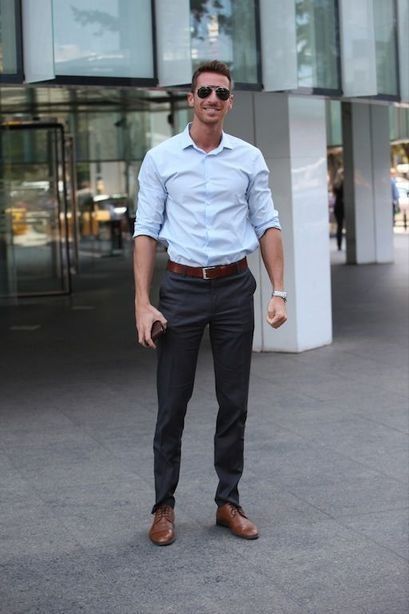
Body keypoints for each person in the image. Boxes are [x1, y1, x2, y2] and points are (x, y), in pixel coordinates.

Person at [133, 60, 287, 546]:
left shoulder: (249, 158)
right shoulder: (161, 159)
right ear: (190, 98)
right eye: (205, 91)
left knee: (234, 401)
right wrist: (141, 301)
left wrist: (278, 290)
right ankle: (163, 508)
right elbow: (145, 232)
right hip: (180, 290)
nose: (213, 100)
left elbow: (268, 224)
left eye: (222, 93)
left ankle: (228, 501)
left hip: (234, 287)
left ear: (231, 101)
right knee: (172, 404)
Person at [333, 172, 345, 251]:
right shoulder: (344, 184)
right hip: (342, 206)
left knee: (339, 226)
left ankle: (339, 244)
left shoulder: (336, 184)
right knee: (342, 226)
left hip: (337, 206)